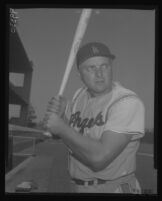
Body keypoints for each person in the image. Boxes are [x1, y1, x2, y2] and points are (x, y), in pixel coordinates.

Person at [44, 42, 145, 193]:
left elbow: (99, 159)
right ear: (80, 74)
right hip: (78, 186)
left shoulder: (127, 102)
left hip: (113, 187)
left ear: (112, 67)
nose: (99, 73)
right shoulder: (80, 96)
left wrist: (61, 128)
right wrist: (60, 115)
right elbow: (73, 137)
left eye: (104, 66)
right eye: (91, 68)